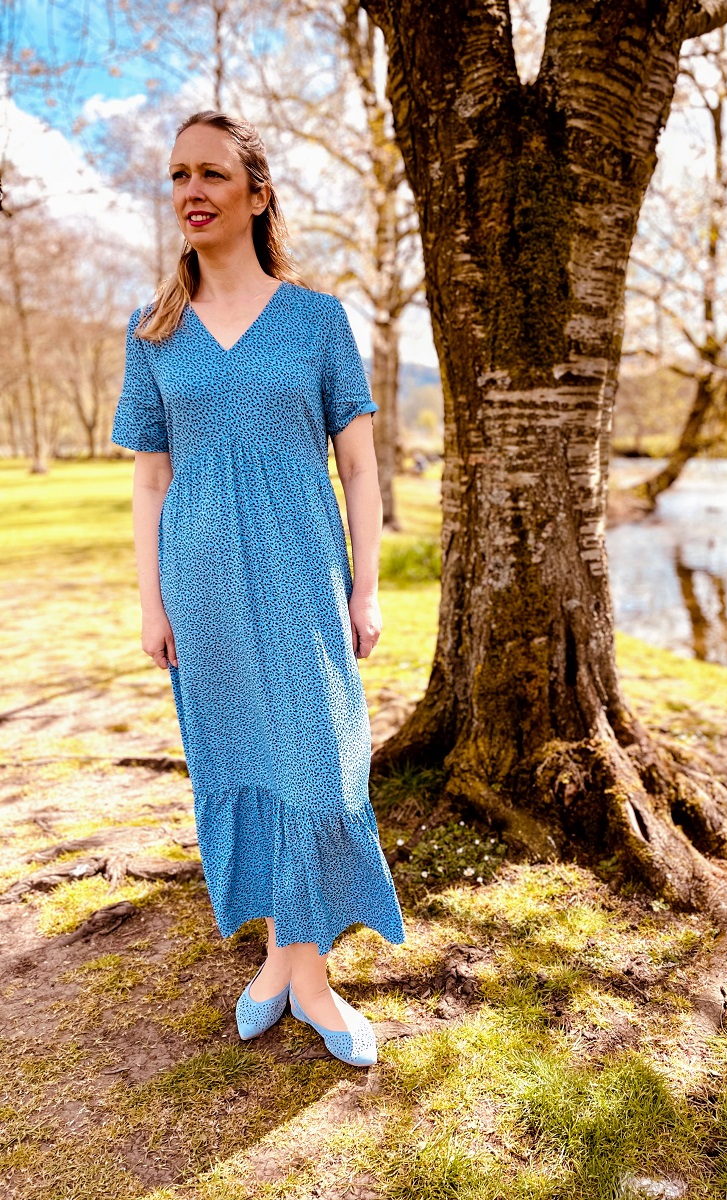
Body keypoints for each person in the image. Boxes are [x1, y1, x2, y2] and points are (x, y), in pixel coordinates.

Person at [111, 109, 406, 1068]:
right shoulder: (151, 330)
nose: (191, 190)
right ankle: (286, 967)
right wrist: (152, 603)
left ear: (256, 192)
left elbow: (360, 469)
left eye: (211, 174)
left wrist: (366, 590)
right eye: (177, 176)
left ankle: (305, 977)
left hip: (303, 571)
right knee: (242, 761)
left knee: (320, 764)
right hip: (200, 579)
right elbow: (150, 478)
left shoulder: (318, 320)